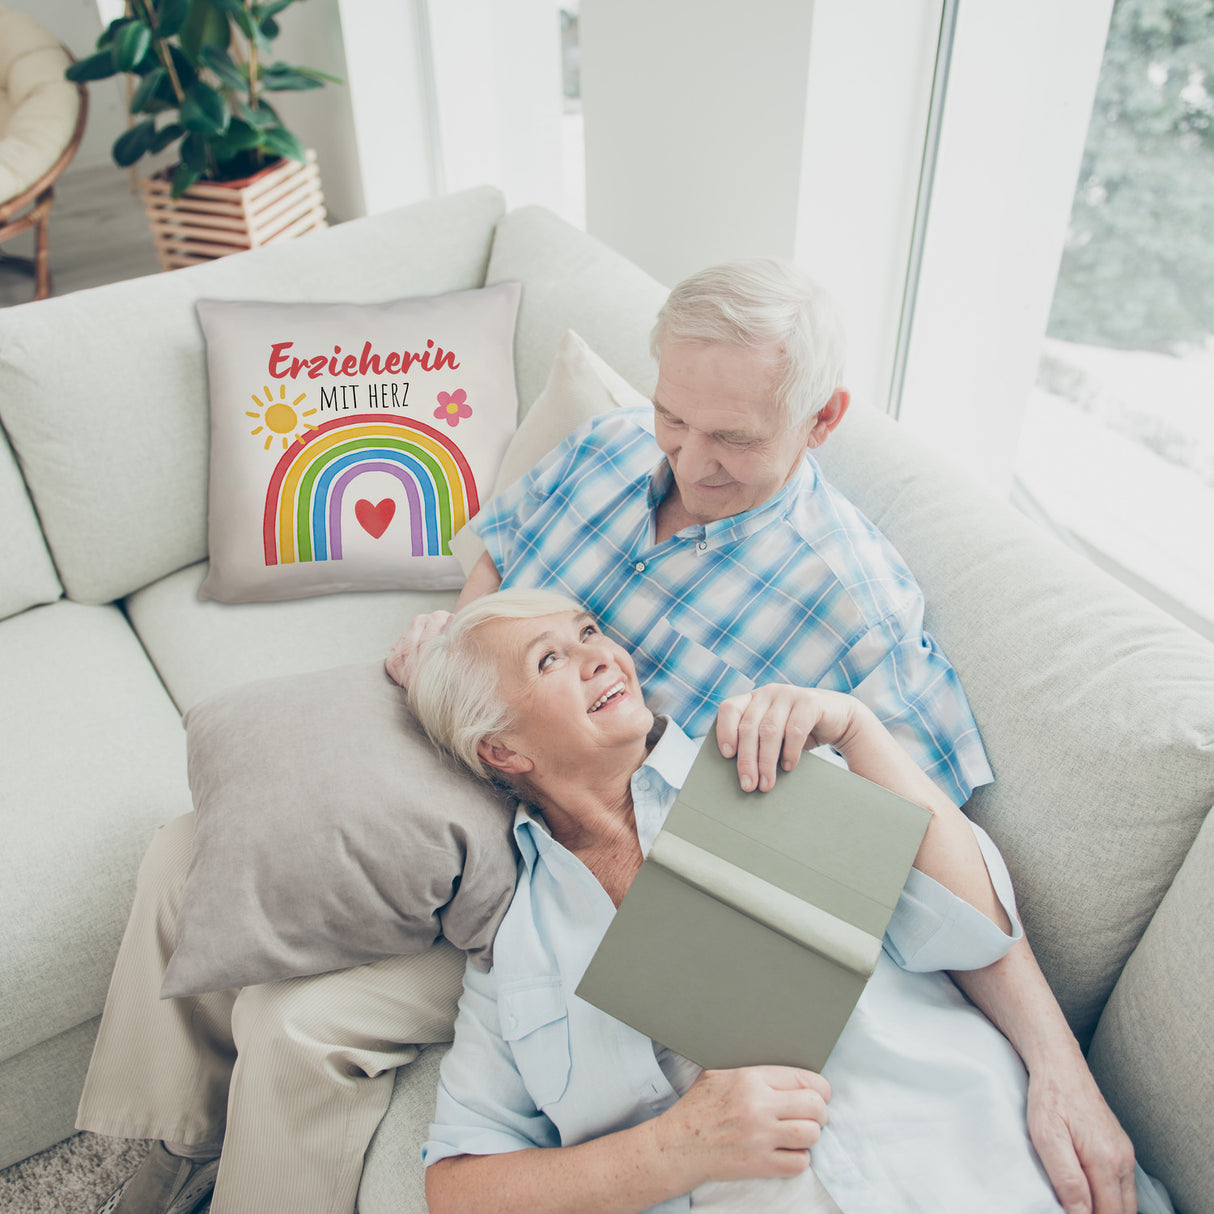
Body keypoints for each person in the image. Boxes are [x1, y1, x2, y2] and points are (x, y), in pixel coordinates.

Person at [388, 259, 1136, 1213]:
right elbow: (503, 546)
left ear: (822, 420)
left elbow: (944, 886)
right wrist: (463, 655)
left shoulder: (831, 660)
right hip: (494, 835)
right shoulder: (609, 450)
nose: (689, 462)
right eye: (674, 418)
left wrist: (1058, 1067)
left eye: (732, 438)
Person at [407, 588, 1160, 1214]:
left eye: (589, 632)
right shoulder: (516, 952)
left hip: (985, 1167)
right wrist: (674, 1149)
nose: (601, 655)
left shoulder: (762, 761)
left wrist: (859, 731)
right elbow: (458, 1188)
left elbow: (972, 929)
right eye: (550, 659)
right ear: (502, 750)